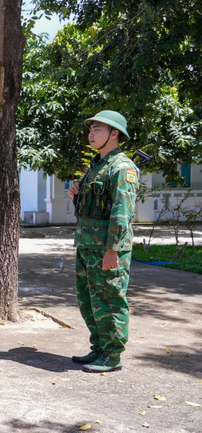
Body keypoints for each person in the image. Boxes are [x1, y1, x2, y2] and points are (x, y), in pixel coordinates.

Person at [67, 110, 138, 373]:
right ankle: (99, 347)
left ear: (115, 133)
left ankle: (112, 355)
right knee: (88, 300)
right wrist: (76, 194)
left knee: (109, 300)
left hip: (106, 249)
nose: (91, 134)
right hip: (87, 244)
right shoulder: (97, 166)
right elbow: (91, 209)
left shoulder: (122, 167)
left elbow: (122, 214)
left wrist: (112, 251)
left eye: (97, 129)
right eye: (90, 130)